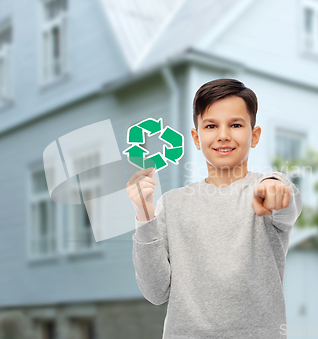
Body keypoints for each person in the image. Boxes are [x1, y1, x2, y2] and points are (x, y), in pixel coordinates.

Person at [126, 78, 303, 338]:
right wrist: (144, 215)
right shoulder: (172, 205)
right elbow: (155, 293)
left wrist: (275, 187)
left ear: (254, 136)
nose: (223, 135)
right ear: (196, 138)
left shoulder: (265, 191)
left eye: (235, 124)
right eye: (211, 125)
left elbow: (286, 201)